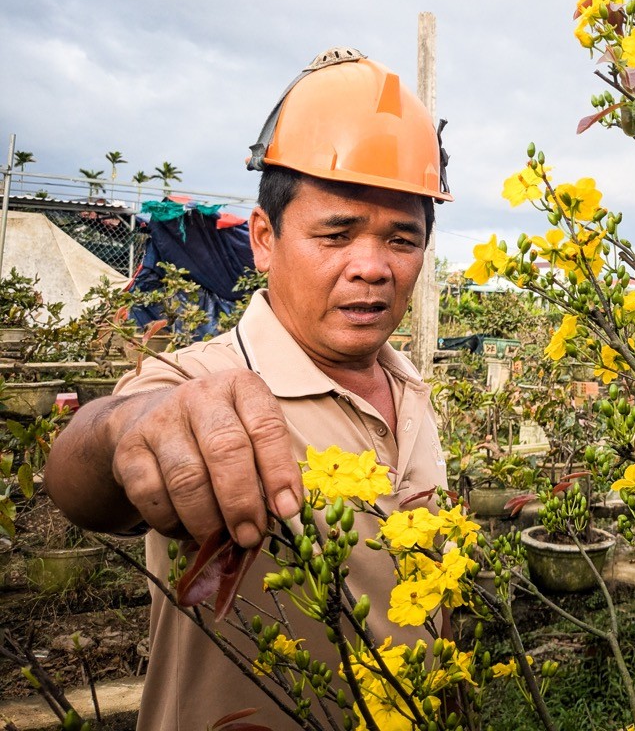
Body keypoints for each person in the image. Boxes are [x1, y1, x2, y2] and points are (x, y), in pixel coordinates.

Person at [45, 47, 452, 730]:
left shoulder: (413, 390)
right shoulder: (199, 380)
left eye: (402, 240)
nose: (373, 268)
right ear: (263, 239)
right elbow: (82, 471)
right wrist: (127, 430)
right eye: (337, 233)